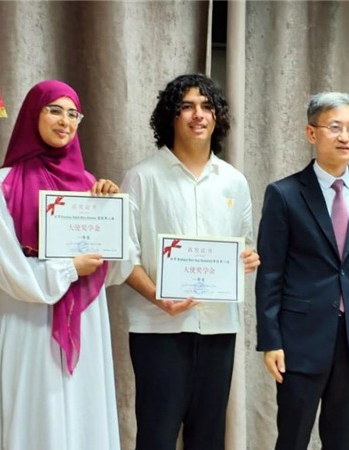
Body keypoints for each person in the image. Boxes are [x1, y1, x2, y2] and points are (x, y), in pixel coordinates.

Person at [0, 80, 129, 450]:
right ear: (32, 114)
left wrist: (112, 209)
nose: (64, 121)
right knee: (33, 408)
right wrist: (68, 269)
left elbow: (114, 267)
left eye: (73, 114)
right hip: (25, 316)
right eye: (54, 110)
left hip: (83, 319)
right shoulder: (1, 184)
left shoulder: (90, 185)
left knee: (81, 407)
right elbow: (3, 265)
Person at [116, 73, 260, 450]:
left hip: (219, 328)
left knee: (208, 438)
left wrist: (248, 258)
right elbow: (124, 257)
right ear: (171, 116)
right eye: (187, 106)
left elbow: (244, 245)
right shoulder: (141, 178)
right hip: (158, 329)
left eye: (207, 106)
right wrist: (159, 297)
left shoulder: (234, 181)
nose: (198, 114)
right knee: (157, 437)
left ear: (217, 116)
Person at [255, 92, 349, 450]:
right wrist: (271, 340)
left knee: (341, 439)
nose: (345, 136)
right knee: (293, 438)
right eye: (335, 127)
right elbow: (270, 275)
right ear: (311, 133)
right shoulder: (284, 194)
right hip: (300, 340)